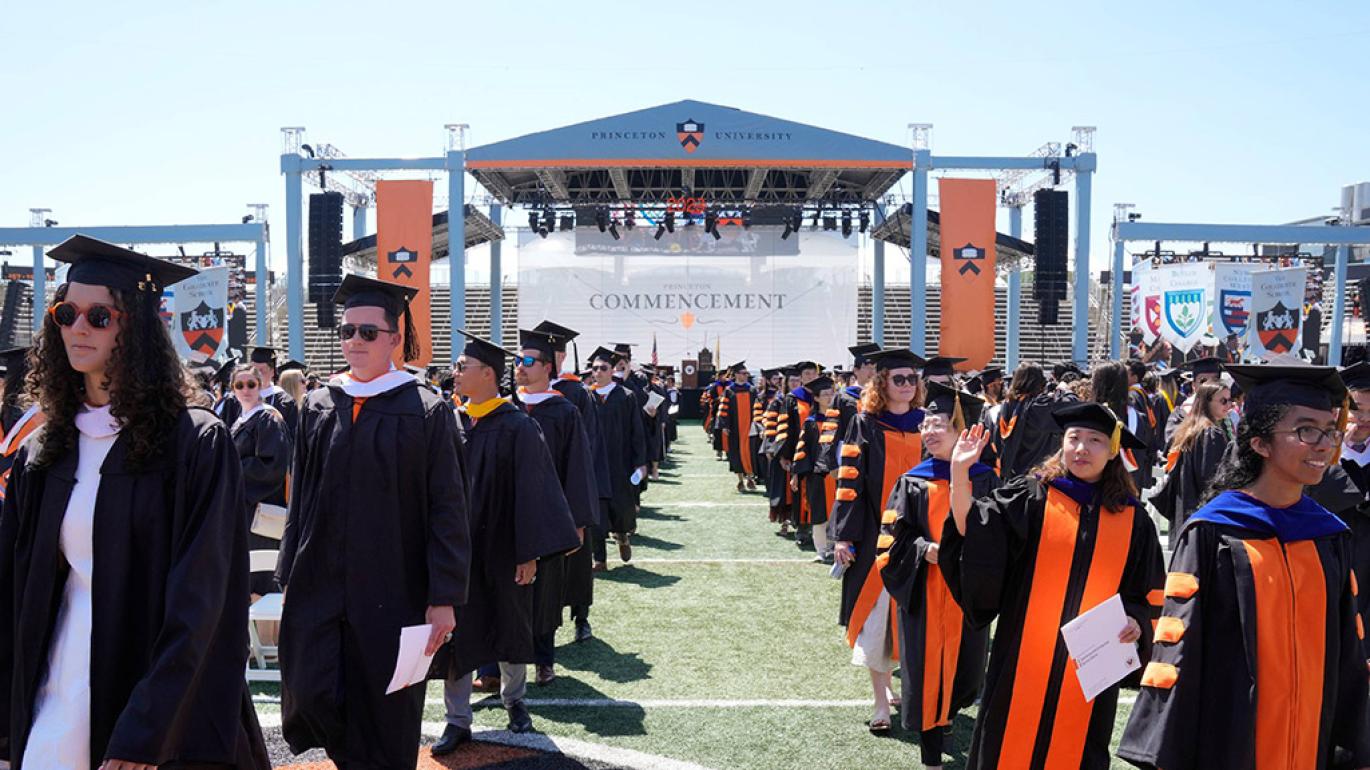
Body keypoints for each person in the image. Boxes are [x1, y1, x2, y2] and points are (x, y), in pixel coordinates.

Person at [0, 235, 268, 769]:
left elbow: (202, 600)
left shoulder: (193, 444)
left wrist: (151, 728)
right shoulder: (46, 449)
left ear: (136, 328)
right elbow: (12, 589)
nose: (78, 328)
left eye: (99, 316)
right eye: (66, 313)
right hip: (57, 674)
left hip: (157, 692)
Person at [1119, 365, 1370, 769]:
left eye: (1329, 431)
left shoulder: (1329, 535)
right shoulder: (1213, 532)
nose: (1324, 445)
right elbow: (1179, 650)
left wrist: (1355, 750)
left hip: (1312, 744)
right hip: (1230, 744)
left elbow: (1348, 660)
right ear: (1260, 443)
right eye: (1307, 431)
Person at [276, 274, 470, 769]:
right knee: (316, 692)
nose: (355, 341)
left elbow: (448, 507)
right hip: (321, 582)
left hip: (395, 587)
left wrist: (444, 596)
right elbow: (301, 497)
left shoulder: (425, 410)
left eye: (368, 332)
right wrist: (289, 573)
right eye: (347, 331)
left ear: (394, 339)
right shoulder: (319, 404)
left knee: (386, 715)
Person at [940, 403, 1164, 769]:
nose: (1081, 448)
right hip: (1023, 659)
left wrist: (1136, 622)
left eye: (1095, 440)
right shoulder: (1032, 496)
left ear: (1112, 452)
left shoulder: (1133, 519)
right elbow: (973, 531)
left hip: (1091, 668)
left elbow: (1145, 593)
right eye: (1074, 438)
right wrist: (959, 473)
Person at [439, 331, 581, 745]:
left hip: (504, 546)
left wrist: (529, 553)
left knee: (509, 622)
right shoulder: (451, 421)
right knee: (457, 630)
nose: (455, 373)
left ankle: (515, 702)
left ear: (488, 374)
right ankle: (457, 718)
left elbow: (534, 491)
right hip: (459, 548)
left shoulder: (518, 425)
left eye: (462, 367)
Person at [881, 382, 995, 769]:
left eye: (939, 424)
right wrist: (922, 550)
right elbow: (890, 538)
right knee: (927, 681)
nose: (928, 431)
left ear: (962, 430)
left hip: (966, 595)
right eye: (925, 424)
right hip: (925, 594)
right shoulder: (912, 481)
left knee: (966, 678)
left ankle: (947, 716)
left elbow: (998, 537)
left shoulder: (984, 478)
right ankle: (931, 758)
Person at [832, 348, 927, 735]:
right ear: (882, 383)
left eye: (912, 379)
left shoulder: (928, 424)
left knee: (910, 620)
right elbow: (849, 481)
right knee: (876, 619)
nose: (906, 385)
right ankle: (880, 701)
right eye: (898, 379)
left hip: (920, 537)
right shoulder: (865, 424)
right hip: (876, 536)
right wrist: (844, 535)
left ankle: (898, 689)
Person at [511, 329, 598, 687]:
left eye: (528, 361)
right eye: (517, 360)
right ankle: (493, 667)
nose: (519, 366)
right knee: (504, 589)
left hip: (549, 515)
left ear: (547, 367)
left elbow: (578, 467)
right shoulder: (505, 407)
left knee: (545, 590)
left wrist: (576, 522)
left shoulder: (564, 411)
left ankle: (544, 659)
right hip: (507, 514)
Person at [533, 320, 611, 643]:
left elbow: (587, 444)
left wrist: (575, 489)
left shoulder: (576, 393)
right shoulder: (524, 395)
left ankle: (581, 618)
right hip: (536, 493)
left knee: (577, 560)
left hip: (570, 489)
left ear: (562, 357)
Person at [225, 363, 292, 601]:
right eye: (239, 385)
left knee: (261, 580)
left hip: (260, 510)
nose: (246, 390)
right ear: (232, 388)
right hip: (243, 508)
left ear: (260, 386)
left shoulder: (268, 419)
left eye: (251, 384)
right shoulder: (240, 420)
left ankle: (267, 627)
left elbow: (271, 465)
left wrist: (231, 470)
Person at [1152, 381, 1232, 547]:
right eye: (1223, 401)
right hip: (1202, 515)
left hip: (1184, 511)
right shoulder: (1211, 434)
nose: (1229, 405)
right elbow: (1212, 481)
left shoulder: (1188, 429)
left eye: (1230, 400)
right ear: (1206, 402)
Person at [589, 346, 646, 566]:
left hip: (619, 462)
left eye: (603, 368)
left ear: (612, 370)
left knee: (620, 507)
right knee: (596, 511)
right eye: (595, 368)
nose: (598, 372)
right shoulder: (587, 396)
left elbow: (636, 431)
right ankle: (599, 559)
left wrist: (640, 462)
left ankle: (622, 535)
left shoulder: (625, 396)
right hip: (594, 463)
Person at [992, 361, 1078, 479]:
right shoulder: (1038, 407)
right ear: (1039, 382)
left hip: (1012, 474)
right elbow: (1072, 405)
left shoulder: (1006, 406)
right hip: (1037, 475)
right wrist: (1064, 390)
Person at [789, 375, 836, 558]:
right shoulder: (810, 422)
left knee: (838, 511)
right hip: (817, 475)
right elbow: (802, 449)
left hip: (838, 474)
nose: (829, 397)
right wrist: (796, 474)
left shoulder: (841, 421)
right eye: (825, 394)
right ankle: (822, 549)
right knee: (819, 512)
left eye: (831, 393)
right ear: (816, 398)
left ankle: (834, 548)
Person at [217, 346, 298, 434]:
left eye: (261, 371)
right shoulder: (234, 399)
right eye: (254, 370)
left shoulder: (285, 401)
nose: (257, 374)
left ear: (272, 371)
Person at [1163, 357, 1223, 445]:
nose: (1209, 386)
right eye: (1203, 381)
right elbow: (1173, 444)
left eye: (1214, 380)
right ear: (1193, 385)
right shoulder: (1181, 414)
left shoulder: (1228, 413)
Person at [722, 361, 758, 491]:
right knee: (736, 453)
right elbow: (724, 410)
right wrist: (725, 425)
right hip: (735, 428)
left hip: (750, 427)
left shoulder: (752, 390)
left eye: (746, 373)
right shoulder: (729, 391)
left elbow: (757, 408)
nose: (746, 375)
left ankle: (750, 478)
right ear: (736, 375)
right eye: (743, 373)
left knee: (750, 453)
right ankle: (740, 480)